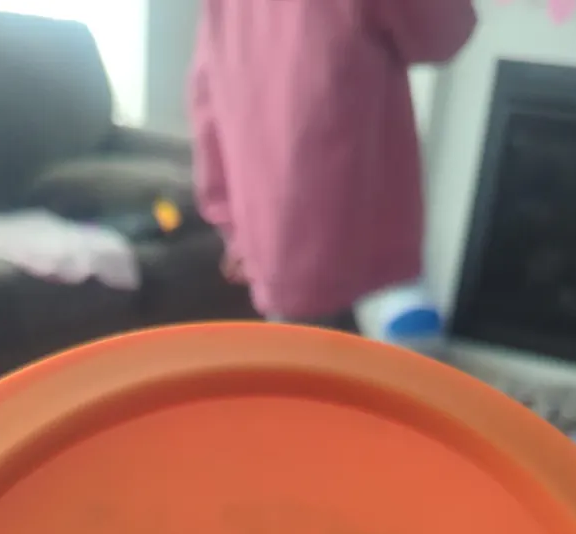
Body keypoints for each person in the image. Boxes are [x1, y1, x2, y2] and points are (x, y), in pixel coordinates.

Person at [189, 0, 476, 331]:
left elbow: (205, 92)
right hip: (343, 216)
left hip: (268, 221)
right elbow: (443, 32)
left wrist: (226, 215)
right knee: (326, 351)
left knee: (309, 344)